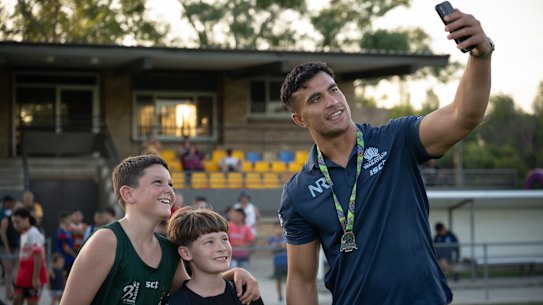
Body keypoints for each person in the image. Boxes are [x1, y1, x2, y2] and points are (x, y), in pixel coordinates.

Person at [277, 7, 493, 304]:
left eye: (333, 90)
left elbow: (463, 116)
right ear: (300, 119)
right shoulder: (299, 191)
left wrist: (480, 55)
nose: (332, 102)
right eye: (316, 99)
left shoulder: (396, 139)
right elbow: (301, 281)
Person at [59, 155, 260, 305]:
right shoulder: (106, 241)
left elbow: (195, 288)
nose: (169, 190)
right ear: (128, 194)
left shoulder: (167, 249)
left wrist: (235, 273)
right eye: (158, 182)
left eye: (170, 184)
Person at [166, 206, 264, 305]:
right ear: (186, 253)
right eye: (209, 242)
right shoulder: (175, 302)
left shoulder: (247, 295)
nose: (222, 248)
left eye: (224, 239)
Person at [11, 207, 48, 305]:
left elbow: (38, 255)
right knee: (16, 300)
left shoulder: (34, 233)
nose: (15, 225)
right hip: (23, 275)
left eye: (17, 222)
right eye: (13, 223)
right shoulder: (24, 233)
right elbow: (23, 256)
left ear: (26, 219)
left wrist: (35, 278)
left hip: (32, 276)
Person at [0, 195, 20, 300]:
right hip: (5, 248)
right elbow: (2, 233)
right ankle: (8, 293)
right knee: (8, 270)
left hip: (15, 247)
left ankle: (14, 292)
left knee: (13, 270)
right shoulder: (6, 219)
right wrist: (6, 247)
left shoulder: (19, 221)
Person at [268, 221, 287, 303]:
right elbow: (271, 250)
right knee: (278, 280)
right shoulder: (271, 239)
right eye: (277, 228)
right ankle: (280, 296)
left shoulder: (286, 237)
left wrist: (278, 245)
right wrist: (280, 245)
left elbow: (286, 247)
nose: (279, 230)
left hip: (287, 262)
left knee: (288, 280)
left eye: (281, 228)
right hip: (277, 263)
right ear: (274, 229)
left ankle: (289, 295)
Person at [54, 211, 76, 276]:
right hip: (64, 260)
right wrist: (73, 254)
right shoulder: (61, 232)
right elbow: (65, 246)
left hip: (69, 259)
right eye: (69, 220)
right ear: (64, 220)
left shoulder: (67, 231)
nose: (70, 222)